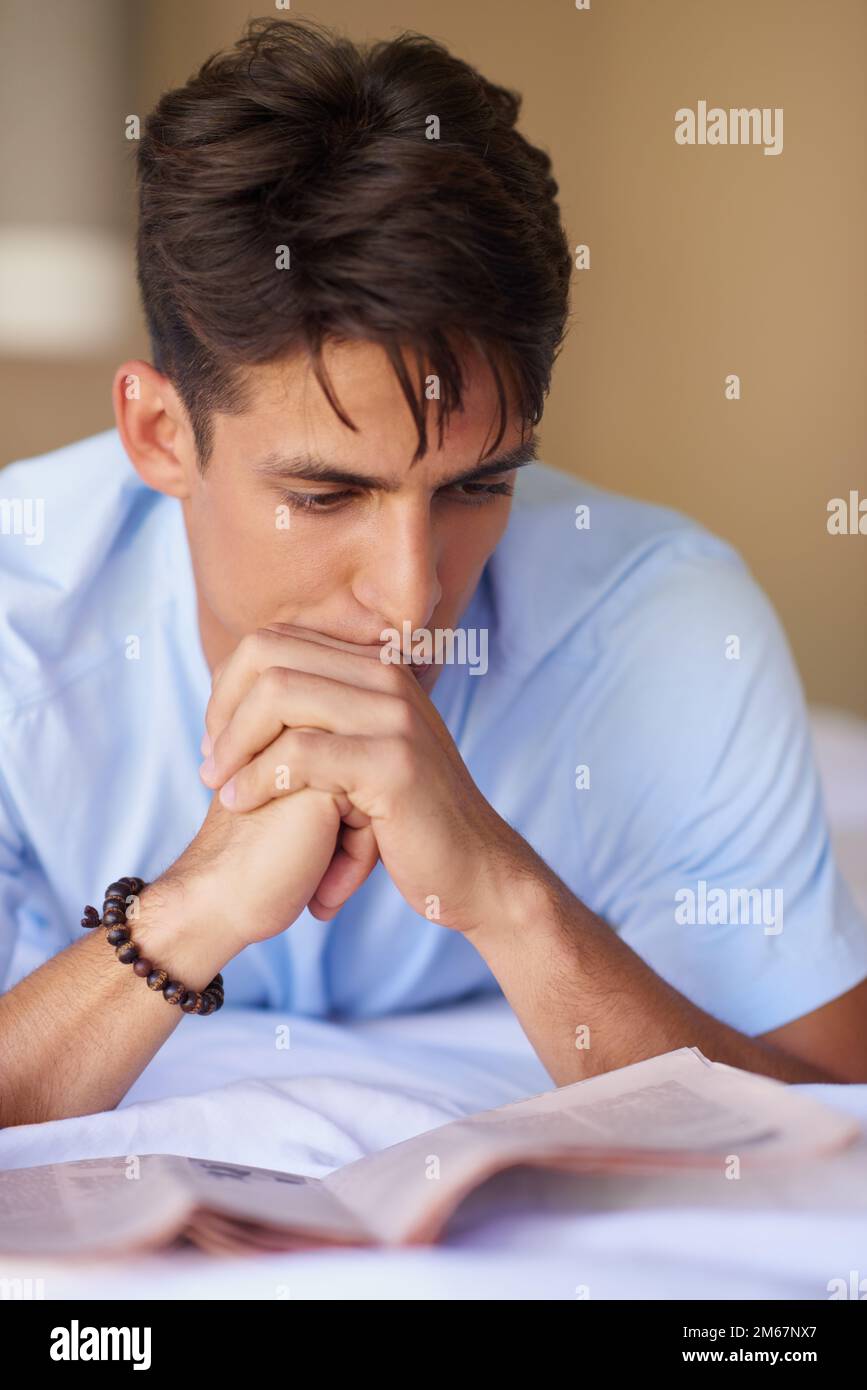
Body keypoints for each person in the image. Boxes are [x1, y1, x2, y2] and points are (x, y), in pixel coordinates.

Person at [2, 18, 867, 1129]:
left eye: (476, 485)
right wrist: (179, 919)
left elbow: (838, 1114)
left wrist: (504, 891)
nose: (413, 598)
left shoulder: (665, 624)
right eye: (327, 495)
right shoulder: (20, 620)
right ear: (162, 433)